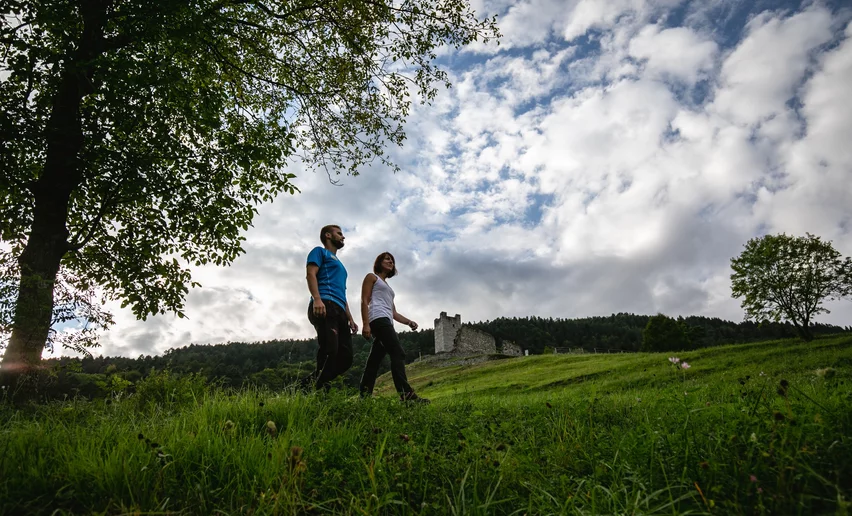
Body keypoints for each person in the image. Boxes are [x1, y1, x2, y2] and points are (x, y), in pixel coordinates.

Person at [359, 252, 430, 403]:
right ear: (379, 262)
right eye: (387, 259)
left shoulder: (388, 288)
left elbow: (393, 313)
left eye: (392, 260)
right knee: (398, 353)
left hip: (386, 320)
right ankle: (407, 396)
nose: (391, 262)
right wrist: (365, 324)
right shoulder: (372, 277)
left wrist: (409, 322)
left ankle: (364, 397)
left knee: (374, 361)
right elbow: (364, 300)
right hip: (377, 319)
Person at [305, 225, 358, 391]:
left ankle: (309, 385)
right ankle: (318, 390)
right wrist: (317, 299)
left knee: (346, 358)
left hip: (340, 309)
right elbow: (310, 274)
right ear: (328, 235)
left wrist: (350, 317)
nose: (343, 237)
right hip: (325, 304)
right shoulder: (319, 252)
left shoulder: (341, 266)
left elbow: (342, 292)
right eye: (340, 233)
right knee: (330, 350)